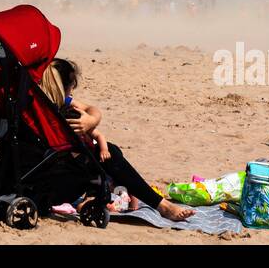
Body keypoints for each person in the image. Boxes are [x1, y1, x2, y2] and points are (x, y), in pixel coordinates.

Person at [41, 57, 194, 222]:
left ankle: (98, 198)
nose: (72, 92)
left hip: (42, 177)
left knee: (108, 152)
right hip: (52, 184)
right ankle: (163, 206)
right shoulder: (55, 109)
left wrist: (91, 121)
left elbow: (93, 110)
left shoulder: (42, 103)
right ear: (63, 87)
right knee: (110, 153)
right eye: (72, 87)